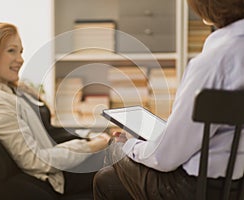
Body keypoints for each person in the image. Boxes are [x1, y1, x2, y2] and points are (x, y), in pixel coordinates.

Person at [93, 0, 244, 199]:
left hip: (194, 188)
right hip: (236, 185)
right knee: (107, 180)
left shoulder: (213, 61)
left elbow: (165, 158)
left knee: (115, 149)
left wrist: (129, 144)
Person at [0, 22, 110, 198]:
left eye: (21, 52)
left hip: (64, 164)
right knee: (131, 166)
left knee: (129, 152)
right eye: (11, 51)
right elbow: (35, 160)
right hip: (58, 176)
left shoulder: (10, 88)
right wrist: (89, 147)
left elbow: (47, 133)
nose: (21, 59)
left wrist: (88, 142)